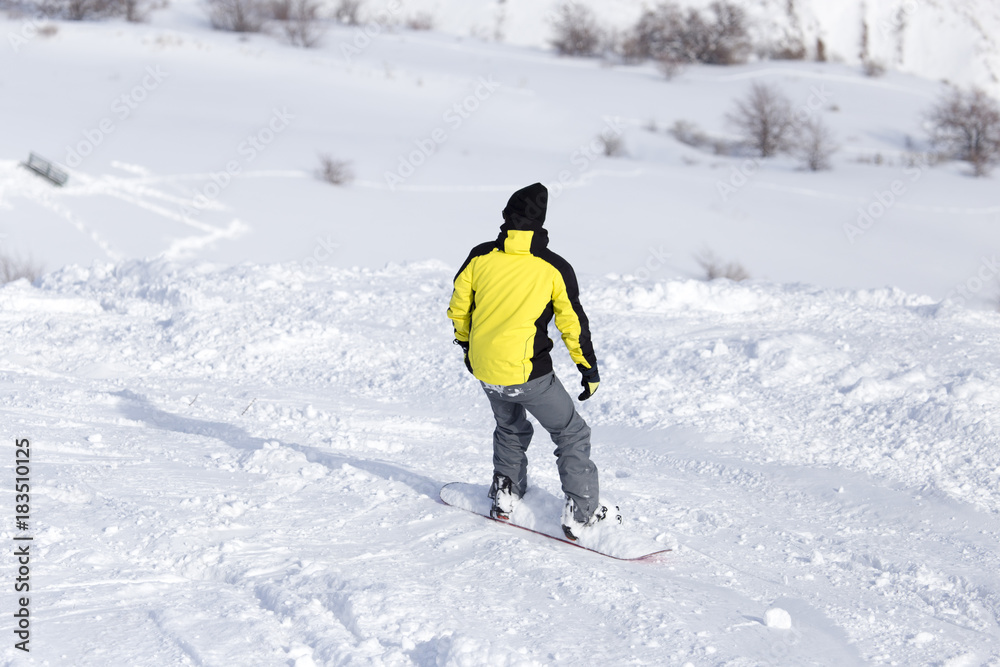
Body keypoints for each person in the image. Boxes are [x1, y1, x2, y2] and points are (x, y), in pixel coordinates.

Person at [447, 182, 616, 541]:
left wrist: (466, 347)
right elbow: (572, 323)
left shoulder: (480, 255)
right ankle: (582, 513)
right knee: (571, 432)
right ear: (540, 222)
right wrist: (588, 369)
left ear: (506, 217)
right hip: (528, 372)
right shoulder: (553, 267)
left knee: (510, 427)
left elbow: (459, 308)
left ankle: (506, 494)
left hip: (485, 366)